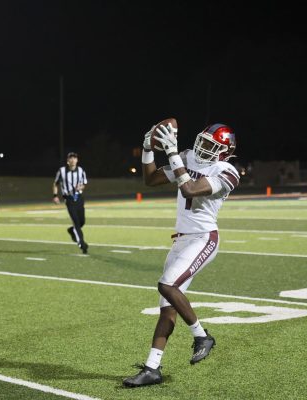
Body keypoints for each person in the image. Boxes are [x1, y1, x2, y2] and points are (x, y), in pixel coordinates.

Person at [123, 122, 240, 388]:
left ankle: (201, 336)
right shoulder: (188, 157)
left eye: (212, 145)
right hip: (180, 241)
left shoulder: (227, 171)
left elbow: (189, 189)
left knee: (167, 285)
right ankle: (152, 368)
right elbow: (151, 179)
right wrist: (146, 149)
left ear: (225, 151)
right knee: (167, 307)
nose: (204, 147)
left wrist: (173, 153)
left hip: (203, 238)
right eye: (204, 141)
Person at [53, 152, 89, 254]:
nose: (73, 160)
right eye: (71, 158)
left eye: (74, 158)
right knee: (76, 223)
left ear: (77, 160)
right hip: (69, 199)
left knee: (82, 221)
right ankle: (82, 244)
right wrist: (55, 196)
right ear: (67, 161)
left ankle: (71, 230)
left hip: (79, 198)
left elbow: (84, 184)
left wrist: (80, 187)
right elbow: (55, 183)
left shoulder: (81, 170)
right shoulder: (62, 171)